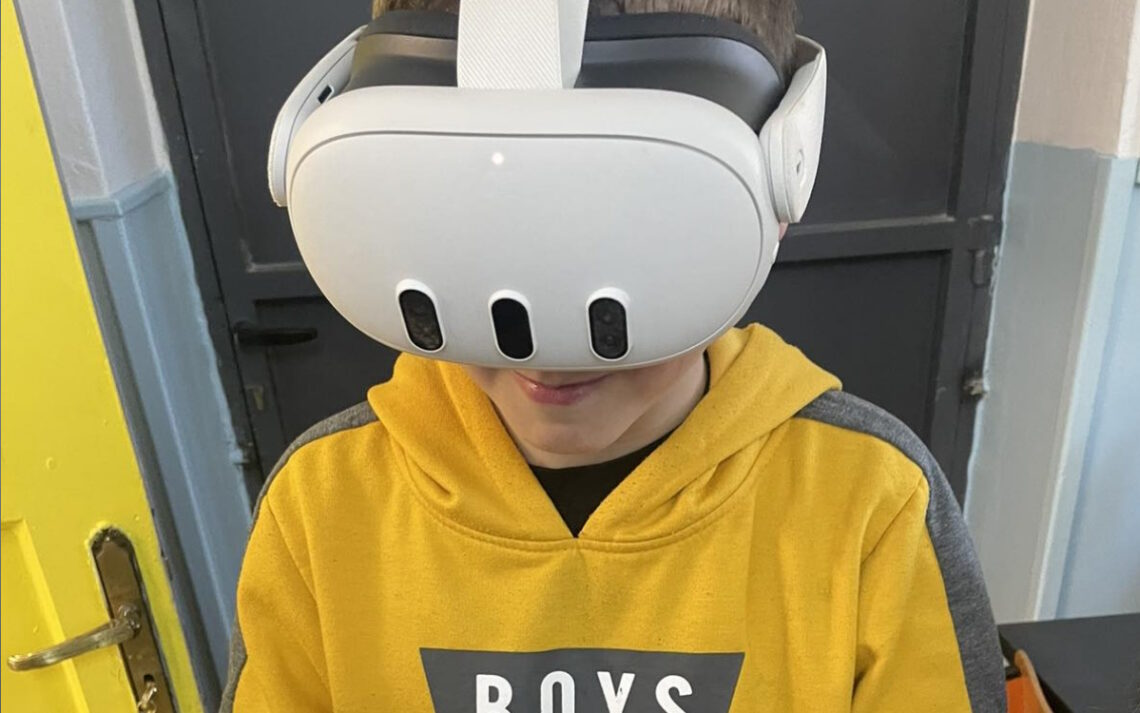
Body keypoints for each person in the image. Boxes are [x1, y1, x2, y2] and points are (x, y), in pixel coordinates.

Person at [222, 1, 1006, 711]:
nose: (548, 353)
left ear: (779, 174)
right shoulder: (322, 509)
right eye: (479, 220)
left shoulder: (870, 505)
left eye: (625, 227)